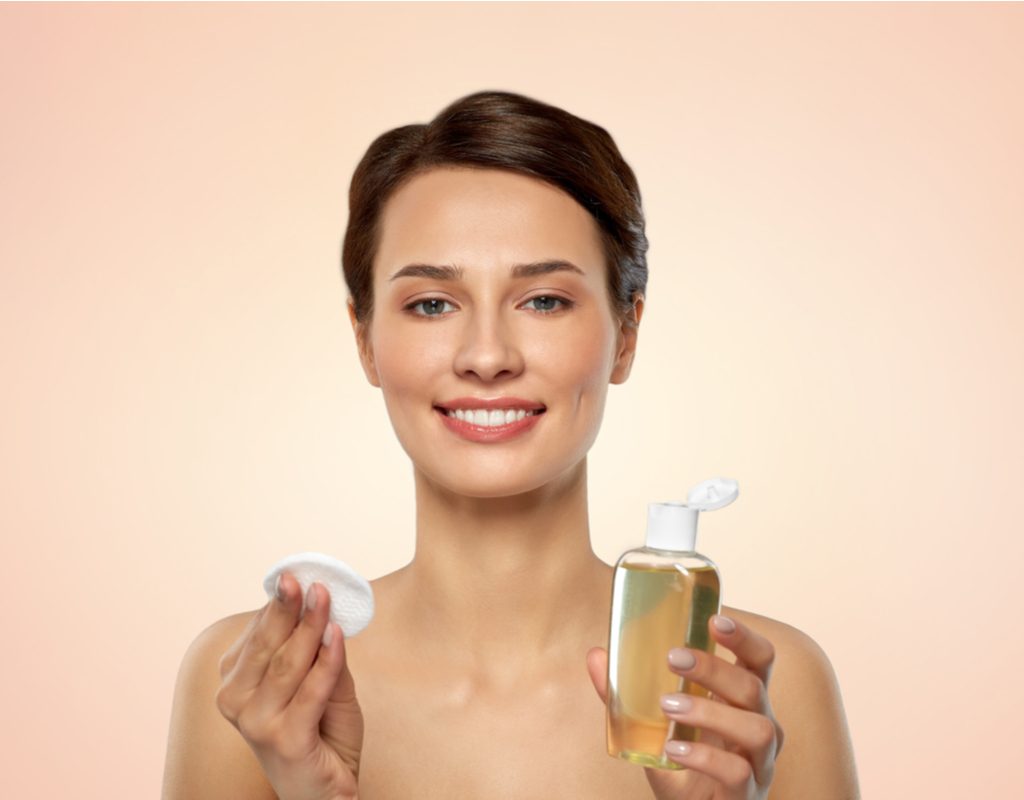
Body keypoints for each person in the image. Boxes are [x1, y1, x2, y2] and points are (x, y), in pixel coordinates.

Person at [162, 90, 859, 800]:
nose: (487, 356)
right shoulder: (255, 692)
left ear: (628, 334)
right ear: (365, 341)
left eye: (544, 300)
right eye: (432, 303)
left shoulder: (753, 697)